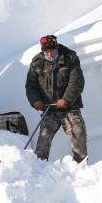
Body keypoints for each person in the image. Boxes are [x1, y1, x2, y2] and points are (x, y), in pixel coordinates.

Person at [25, 34, 88, 163]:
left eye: (52, 50)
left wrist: (66, 99)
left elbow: (77, 82)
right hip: (49, 109)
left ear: (57, 48)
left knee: (78, 133)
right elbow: (31, 85)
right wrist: (35, 101)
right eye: (46, 51)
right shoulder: (37, 63)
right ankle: (38, 165)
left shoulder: (70, 59)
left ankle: (81, 164)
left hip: (70, 107)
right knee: (44, 137)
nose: (49, 54)